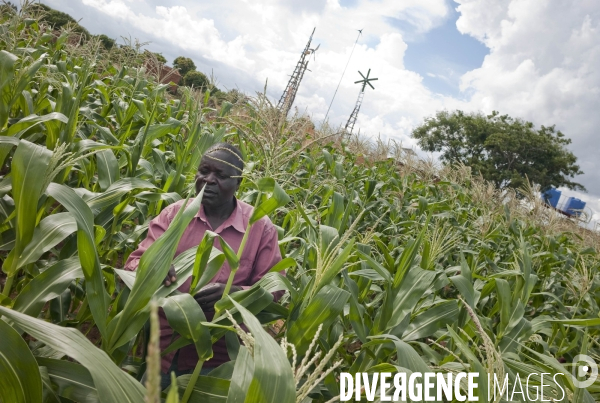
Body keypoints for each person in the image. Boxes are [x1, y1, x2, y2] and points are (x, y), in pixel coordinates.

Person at [125, 143, 282, 389]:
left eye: (221, 175)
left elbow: (274, 290)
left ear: (239, 182)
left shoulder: (260, 228)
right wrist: (152, 266)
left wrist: (234, 294)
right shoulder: (174, 215)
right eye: (204, 171)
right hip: (165, 348)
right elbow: (133, 264)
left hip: (220, 358)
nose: (208, 180)